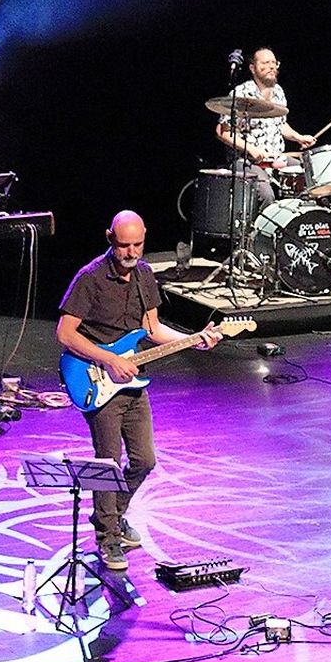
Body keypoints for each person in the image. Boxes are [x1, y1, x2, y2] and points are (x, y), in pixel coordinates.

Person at [56, 210, 224, 569]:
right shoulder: (90, 278)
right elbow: (65, 334)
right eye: (124, 246)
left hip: (133, 382)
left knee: (145, 460)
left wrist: (194, 341)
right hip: (97, 379)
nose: (131, 252)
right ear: (109, 239)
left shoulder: (145, 274)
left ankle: (112, 517)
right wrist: (108, 360)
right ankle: (108, 538)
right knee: (108, 463)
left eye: (137, 244)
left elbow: (153, 329)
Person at [215, 47, 318, 208]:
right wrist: (251, 149)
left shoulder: (278, 92)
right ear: (253, 68)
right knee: (266, 194)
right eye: (265, 63)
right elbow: (223, 132)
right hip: (247, 161)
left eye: (274, 63)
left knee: (309, 179)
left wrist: (298, 137)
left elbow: (280, 124)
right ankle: (258, 232)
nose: (272, 67)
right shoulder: (241, 93)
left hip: (275, 158)